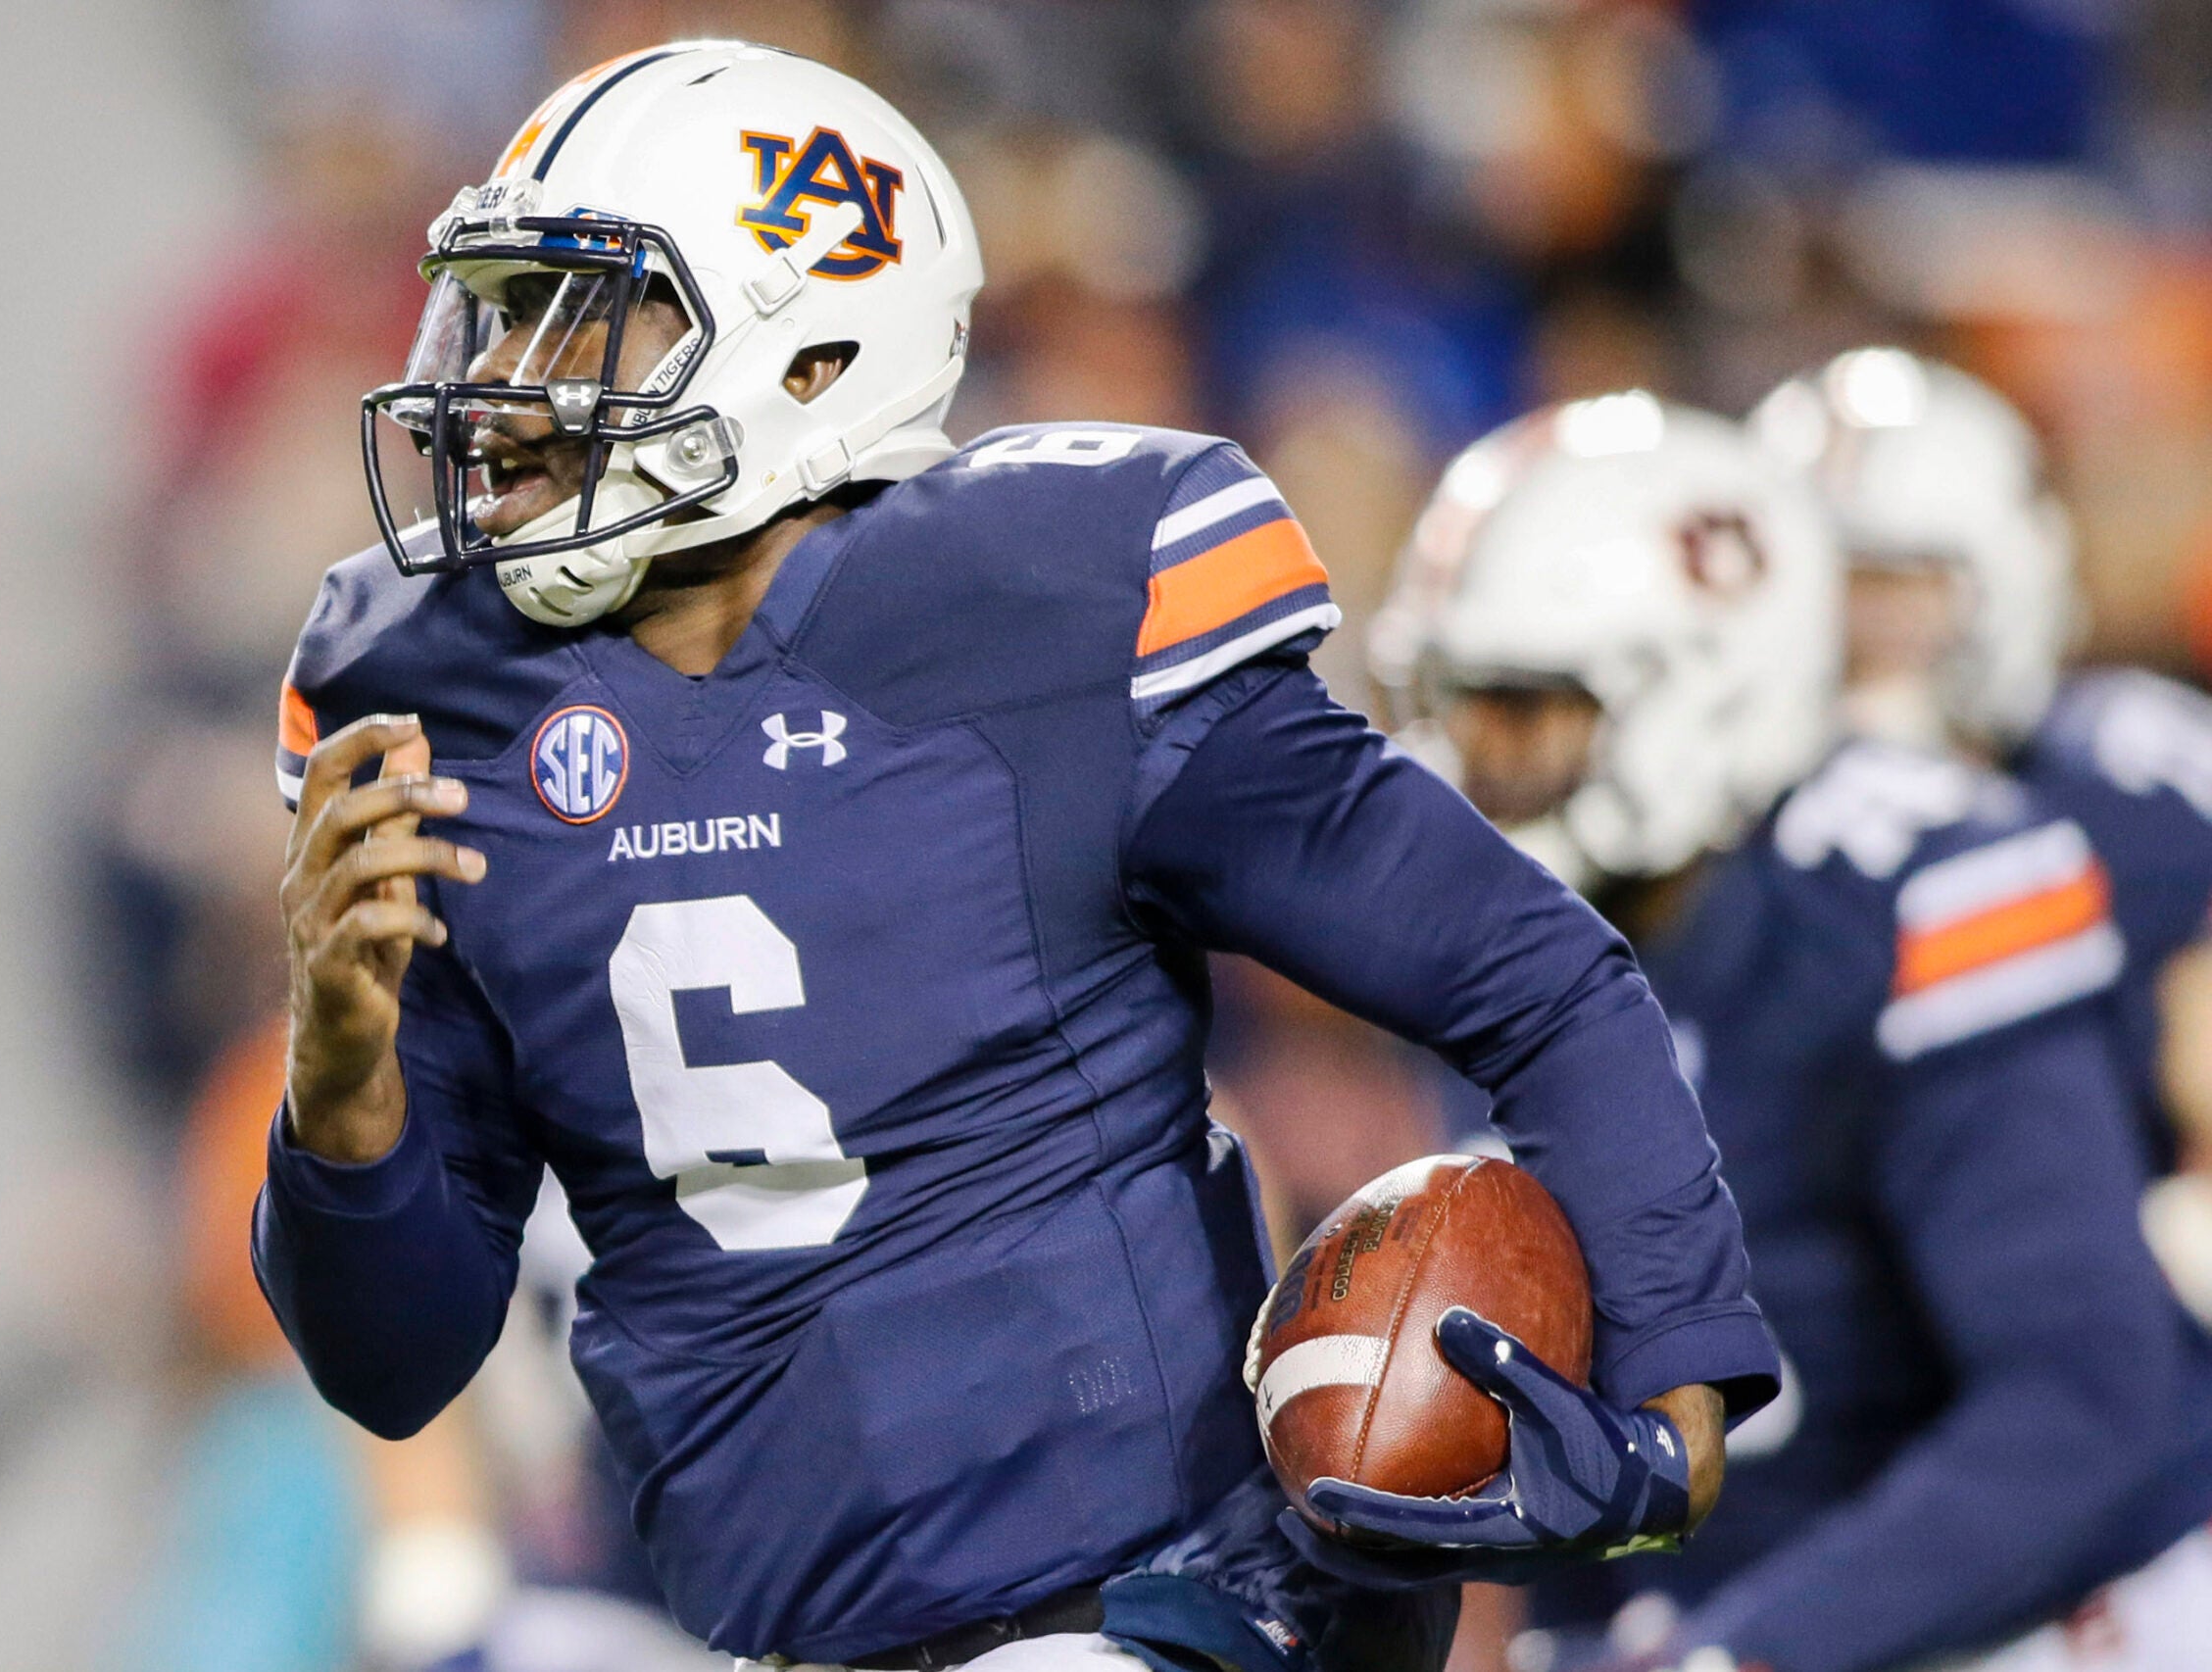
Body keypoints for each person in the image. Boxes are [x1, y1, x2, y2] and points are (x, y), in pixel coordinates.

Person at [255, 44, 1778, 1672]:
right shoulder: (438, 694)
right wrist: (338, 1089)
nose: (509, 379)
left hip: (1155, 1597)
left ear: (813, 348)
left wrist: (1677, 1392)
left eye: (580, 316)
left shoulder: (1048, 609)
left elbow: (1525, 971)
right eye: (501, 314)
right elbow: (395, 1362)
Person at [1370, 392, 2212, 1672]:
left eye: (1520, 711)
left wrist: (1746, 1650)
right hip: (1727, 1598)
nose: (1466, 763)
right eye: (1447, 706)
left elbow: (2082, 1404)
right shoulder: (1495, 949)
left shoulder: (1910, 891)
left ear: (1702, 693)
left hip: (2054, 1604)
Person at [1750, 347, 2212, 1184]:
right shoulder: (1714, 860)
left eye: (1890, 585)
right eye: (1814, 588)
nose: (1846, 633)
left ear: (2007, 580)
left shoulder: (2135, 787)